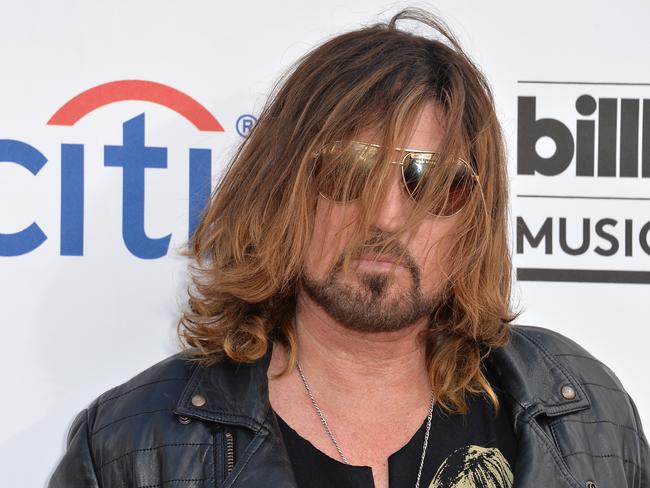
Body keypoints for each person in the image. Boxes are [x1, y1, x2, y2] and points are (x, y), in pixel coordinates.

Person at [48, 7, 648, 488]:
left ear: (476, 215)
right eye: (347, 172)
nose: (387, 216)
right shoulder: (131, 448)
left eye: (431, 181)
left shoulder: (583, 414)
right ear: (283, 188)